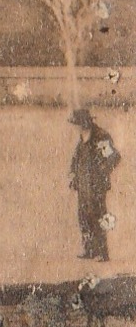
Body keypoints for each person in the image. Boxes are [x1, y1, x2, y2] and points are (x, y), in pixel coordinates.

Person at [70, 108, 121, 262]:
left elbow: (114, 157)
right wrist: (73, 175)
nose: (77, 127)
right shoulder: (82, 138)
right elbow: (76, 159)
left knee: (98, 215)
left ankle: (102, 252)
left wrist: (102, 173)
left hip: (96, 185)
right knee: (84, 216)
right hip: (83, 185)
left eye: (79, 123)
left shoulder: (100, 137)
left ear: (86, 122)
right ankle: (89, 250)